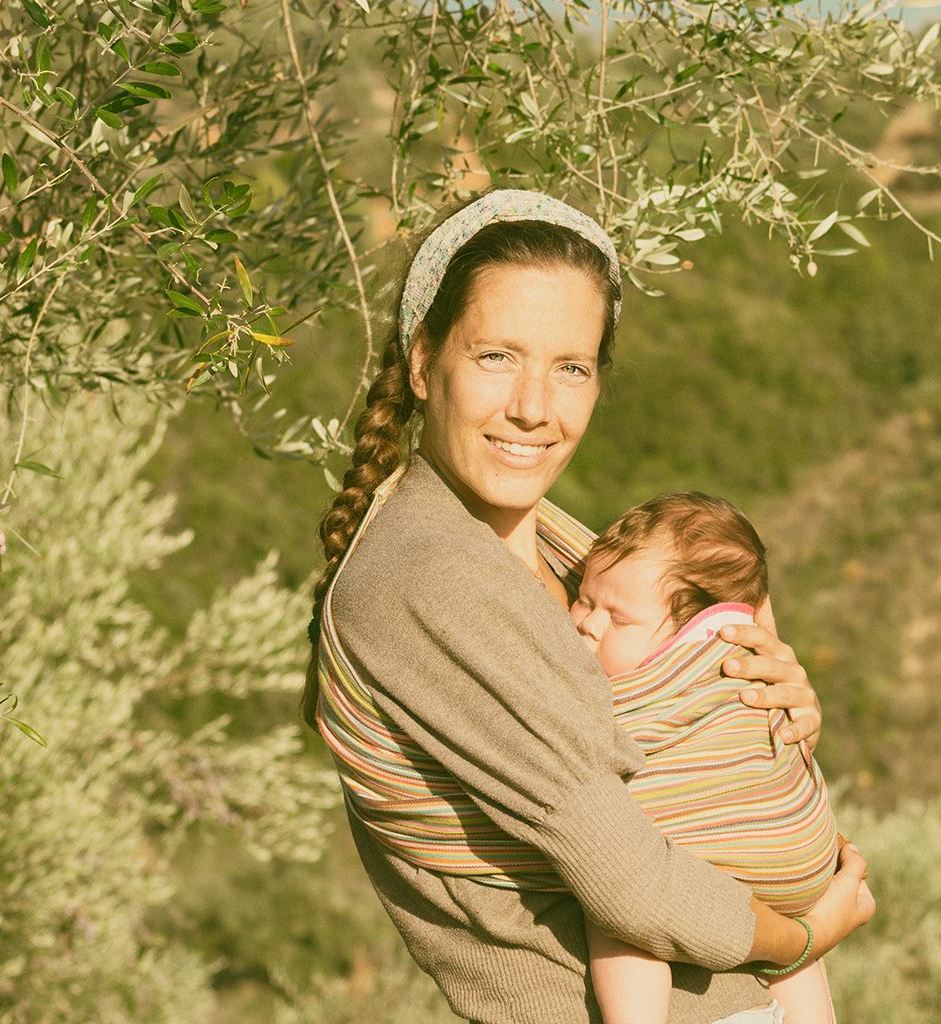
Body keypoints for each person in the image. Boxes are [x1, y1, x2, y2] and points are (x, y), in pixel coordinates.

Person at [301, 188, 875, 1024]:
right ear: (423, 362)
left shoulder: (576, 560)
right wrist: (802, 936)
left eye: (569, 367)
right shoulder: (429, 576)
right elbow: (632, 879)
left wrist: (768, 707)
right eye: (497, 356)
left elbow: (684, 755)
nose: (535, 406)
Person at [572, 492, 842, 1024]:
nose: (588, 624)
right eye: (583, 600)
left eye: (617, 618)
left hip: (725, 846)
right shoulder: (741, 657)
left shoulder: (655, 681)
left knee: (618, 901)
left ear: (693, 633)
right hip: (807, 861)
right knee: (796, 956)